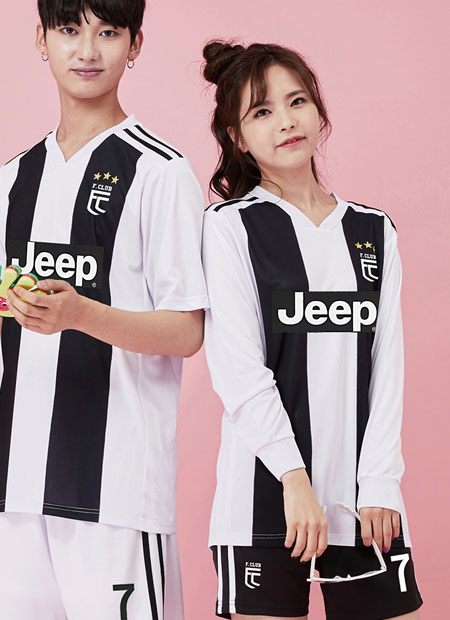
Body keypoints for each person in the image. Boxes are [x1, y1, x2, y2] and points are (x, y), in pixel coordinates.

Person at [0, 1, 208, 618]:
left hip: (116, 493)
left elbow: (187, 330)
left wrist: (82, 315)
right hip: (16, 485)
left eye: (108, 32)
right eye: (69, 30)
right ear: (41, 39)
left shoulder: (159, 172)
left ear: (135, 45)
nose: (87, 50)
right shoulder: (13, 178)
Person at [201, 40, 423, 620]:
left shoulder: (373, 231)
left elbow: (387, 367)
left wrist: (380, 480)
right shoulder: (228, 228)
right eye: (262, 111)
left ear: (319, 110)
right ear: (236, 137)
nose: (286, 121)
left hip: (364, 504)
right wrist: (294, 480)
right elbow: (239, 371)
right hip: (264, 498)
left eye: (296, 101)